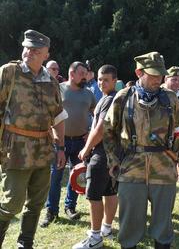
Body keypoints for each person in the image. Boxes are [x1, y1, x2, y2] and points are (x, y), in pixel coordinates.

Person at [103, 51, 179, 249]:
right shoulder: (123, 98)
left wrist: (178, 158)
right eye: (154, 74)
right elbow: (108, 131)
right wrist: (113, 161)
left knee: (163, 225)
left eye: (161, 75)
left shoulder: (171, 99)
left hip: (164, 170)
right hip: (131, 169)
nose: (159, 79)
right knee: (129, 225)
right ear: (139, 72)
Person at [0, 29, 65, 249]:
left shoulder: (51, 81)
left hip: (44, 149)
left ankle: (25, 243)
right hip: (15, 148)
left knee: (36, 203)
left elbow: (57, 116)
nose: (30, 52)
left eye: (36, 50)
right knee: (11, 204)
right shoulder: (10, 72)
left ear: (46, 54)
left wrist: (61, 147)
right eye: (27, 47)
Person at [40, 61, 96, 227]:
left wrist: (90, 132)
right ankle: (51, 211)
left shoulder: (89, 94)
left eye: (86, 74)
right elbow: (49, 113)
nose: (85, 77)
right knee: (55, 177)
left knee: (77, 176)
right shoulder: (59, 89)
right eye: (81, 74)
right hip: (60, 142)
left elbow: (98, 115)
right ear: (72, 74)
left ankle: (70, 207)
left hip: (80, 142)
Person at [72, 65, 119, 249]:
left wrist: (86, 148)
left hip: (102, 153)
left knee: (93, 194)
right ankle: (106, 228)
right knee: (109, 191)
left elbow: (99, 130)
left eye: (106, 79)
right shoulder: (108, 98)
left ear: (115, 80)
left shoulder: (110, 99)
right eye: (99, 79)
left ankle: (95, 237)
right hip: (112, 154)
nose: (101, 83)